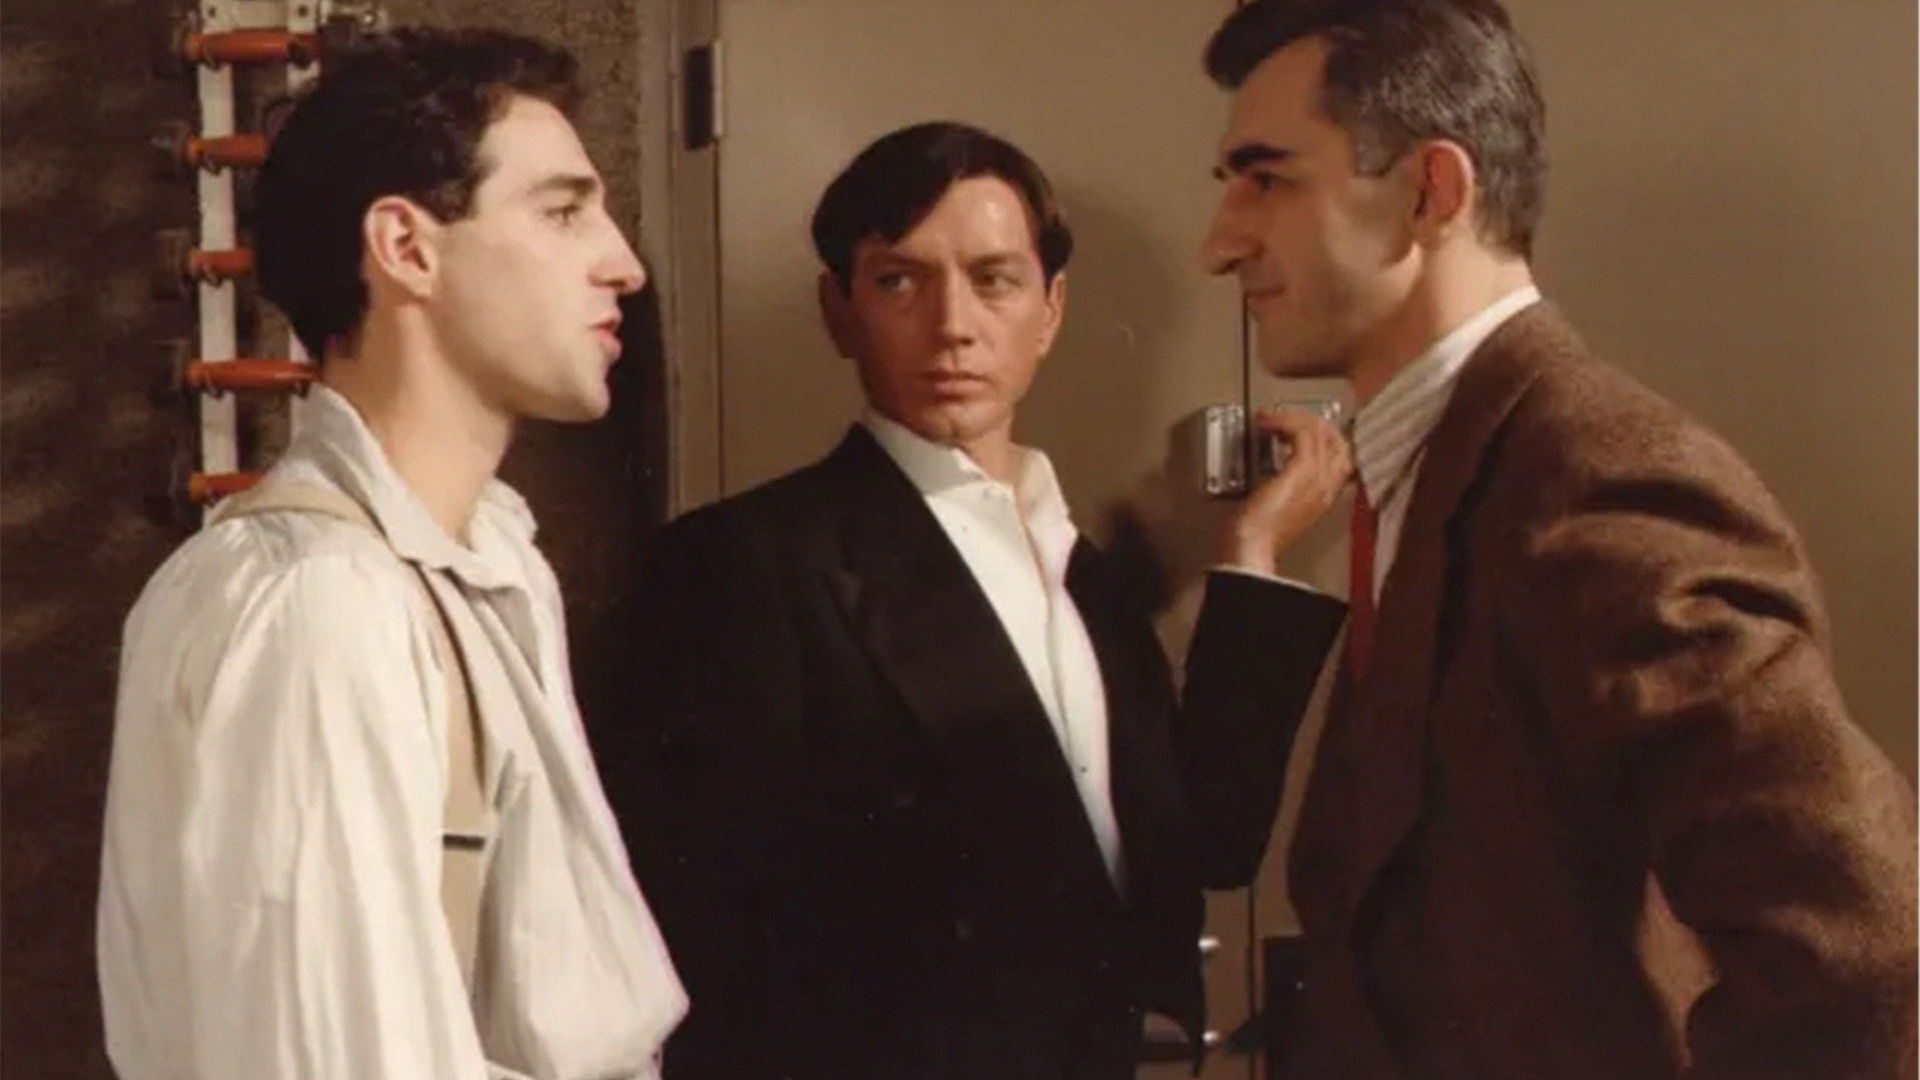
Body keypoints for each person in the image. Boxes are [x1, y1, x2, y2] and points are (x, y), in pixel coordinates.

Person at [1194, 2, 1918, 1078]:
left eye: (1268, 180)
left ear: (1430, 192)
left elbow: (1862, 949)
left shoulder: (1591, 473)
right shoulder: (1449, 466)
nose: (1220, 244)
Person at [595, 121, 1350, 1080]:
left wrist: (1251, 554)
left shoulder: (1077, 569)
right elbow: (701, 941)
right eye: (899, 281)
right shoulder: (741, 561)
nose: (953, 324)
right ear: (839, 311)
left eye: (994, 280)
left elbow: (1207, 843)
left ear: (1050, 309)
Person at [97, 26, 685, 1080]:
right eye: (562, 212)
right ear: (407, 248)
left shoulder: (490, 562)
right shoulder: (321, 605)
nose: (623, 265)